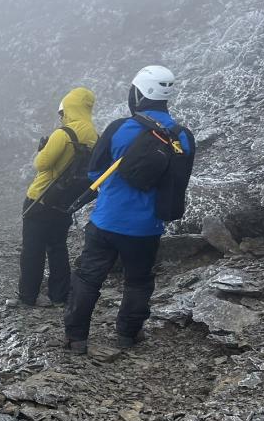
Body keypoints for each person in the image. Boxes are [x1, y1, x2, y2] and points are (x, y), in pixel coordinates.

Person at [63, 66, 196, 354]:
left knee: (88, 277)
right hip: (147, 228)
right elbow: (177, 183)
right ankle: (128, 334)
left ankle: (76, 338)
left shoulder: (119, 128)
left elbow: (94, 172)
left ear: (138, 92)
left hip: (106, 221)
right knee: (138, 281)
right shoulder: (182, 137)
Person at [18, 87, 97, 306]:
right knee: (58, 247)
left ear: (70, 109)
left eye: (62, 113)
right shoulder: (95, 137)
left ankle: (28, 295)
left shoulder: (63, 134)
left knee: (33, 249)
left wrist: (42, 149)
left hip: (40, 198)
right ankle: (60, 294)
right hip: (64, 203)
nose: (61, 117)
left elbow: (41, 164)